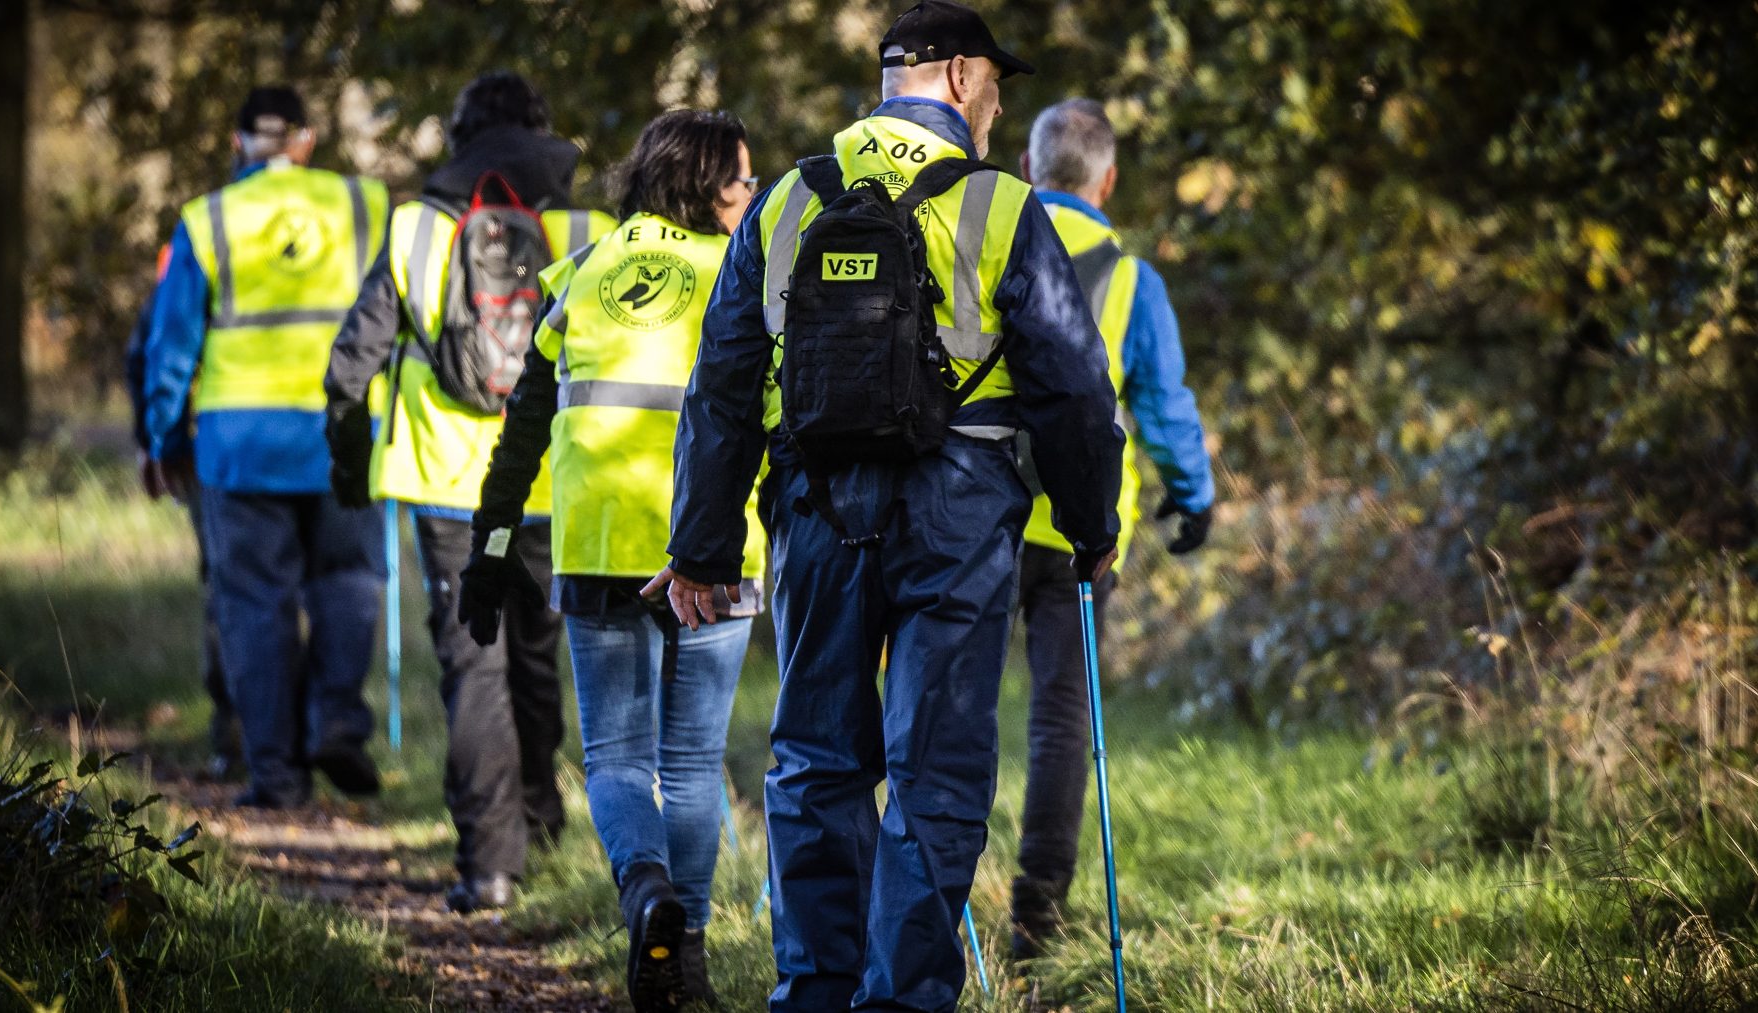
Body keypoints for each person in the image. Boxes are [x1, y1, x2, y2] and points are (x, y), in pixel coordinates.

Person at [651, 3, 1125, 1008]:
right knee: (934, 766)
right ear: (957, 78)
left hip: (816, 508)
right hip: (958, 516)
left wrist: (701, 545)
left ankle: (814, 992)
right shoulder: (1001, 208)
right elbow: (1075, 393)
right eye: (996, 82)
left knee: (816, 760)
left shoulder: (787, 200)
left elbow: (723, 384)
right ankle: (902, 998)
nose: (999, 103)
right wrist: (1090, 529)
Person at [464, 110, 763, 1011]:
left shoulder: (585, 269)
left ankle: (646, 899)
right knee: (695, 759)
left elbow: (524, 426)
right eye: (743, 181)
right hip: (710, 553)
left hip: (595, 548)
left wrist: (492, 543)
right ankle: (690, 960)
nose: (752, 196)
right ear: (706, 185)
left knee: (621, 762)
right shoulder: (739, 274)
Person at [322, 71, 617, 914]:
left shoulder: (416, 228)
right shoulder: (588, 229)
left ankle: (490, 863)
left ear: (459, 138)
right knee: (535, 651)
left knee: (472, 666)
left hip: (449, 484)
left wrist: (349, 465)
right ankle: (543, 822)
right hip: (555, 483)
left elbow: (353, 362)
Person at [1007, 98, 1216, 960]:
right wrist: (1193, 495)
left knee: (946, 700)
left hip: (970, 515)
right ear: (1109, 179)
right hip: (1079, 532)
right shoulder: (1131, 280)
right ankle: (1036, 914)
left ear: (1030, 169)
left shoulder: (992, 239)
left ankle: (924, 901)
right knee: (1061, 718)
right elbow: (1163, 405)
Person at [145, 86, 391, 809]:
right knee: (347, 580)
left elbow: (171, 347)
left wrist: (163, 436)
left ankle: (277, 775)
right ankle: (337, 718)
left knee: (254, 606)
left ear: (236, 142)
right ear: (307, 140)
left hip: (239, 443)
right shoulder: (364, 205)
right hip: (342, 431)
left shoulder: (207, 219)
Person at [124, 242, 242, 782]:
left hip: (207, 450)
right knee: (302, 588)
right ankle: (294, 739)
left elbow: (149, 353)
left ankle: (238, 741)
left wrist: (158, 445)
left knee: (228, 584)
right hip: (305, 445)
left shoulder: (200, 243)